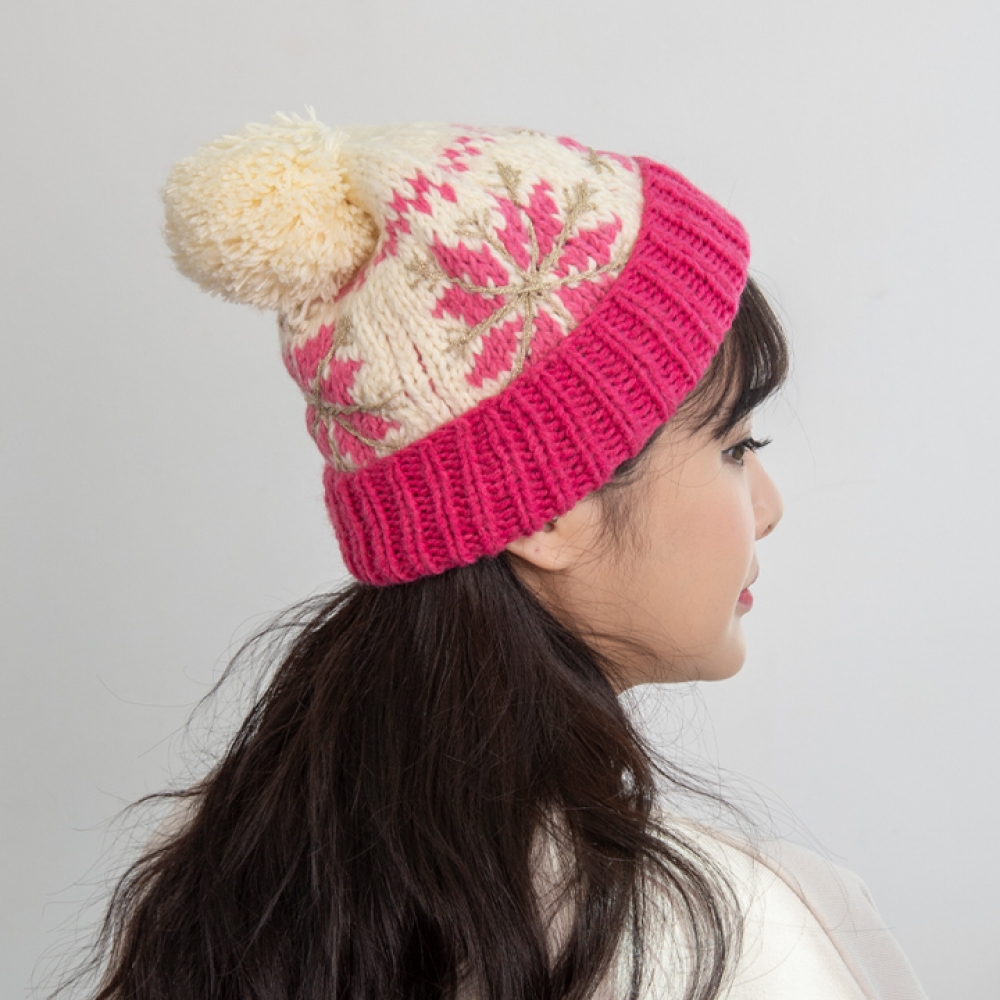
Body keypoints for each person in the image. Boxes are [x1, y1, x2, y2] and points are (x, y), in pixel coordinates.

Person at [75, 116, 928, 999]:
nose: (769, 508)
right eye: (736, 447)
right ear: (550, 507)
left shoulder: (228, 879)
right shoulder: (728, 939)